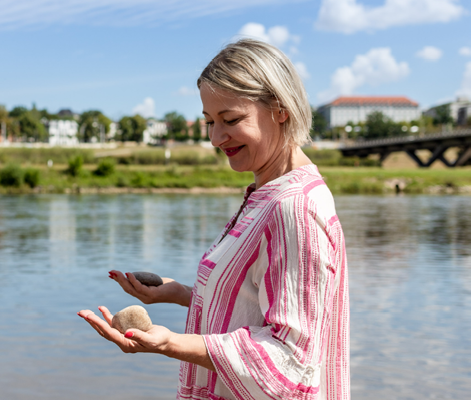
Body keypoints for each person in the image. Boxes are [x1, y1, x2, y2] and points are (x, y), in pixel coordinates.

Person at [78, 38, 349, 400]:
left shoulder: (294, 207)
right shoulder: (271, 192)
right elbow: (257, 307)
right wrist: (182, 295)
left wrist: (171, 343)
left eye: (231, 120)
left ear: (280, 110)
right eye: (209, 121)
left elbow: (291, 361)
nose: (216, 138)